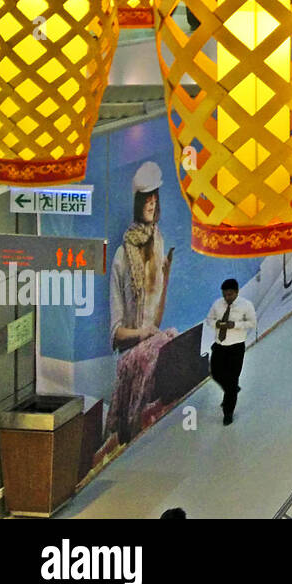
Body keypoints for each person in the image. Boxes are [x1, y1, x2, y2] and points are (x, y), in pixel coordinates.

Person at [105, 162, 175, 446]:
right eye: (146, 198)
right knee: (158, 348)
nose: (152, 202)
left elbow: (155, 323)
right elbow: (116, 335)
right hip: (131, 357)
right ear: (138, 202)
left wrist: (165, 278)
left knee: (171, 339)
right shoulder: (122, 257)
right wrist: (142, 334)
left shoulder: (158, 243)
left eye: (155, 197)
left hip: (152, 347)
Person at [202, 278, 256, 426]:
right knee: (216, 373)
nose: (227, 297)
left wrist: (236, 325)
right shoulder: (218, 304)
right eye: (225, 294)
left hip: (236, 348)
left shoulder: (246, 306)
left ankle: (228, 412)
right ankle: (231, 390)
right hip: (219, 346)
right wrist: (217, 323)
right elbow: (209, 319)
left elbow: (252, 322)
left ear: (237, 292)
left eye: (230, 294)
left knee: (232, 380)